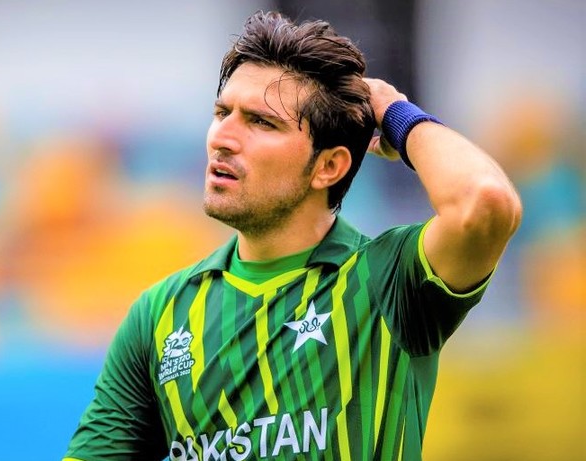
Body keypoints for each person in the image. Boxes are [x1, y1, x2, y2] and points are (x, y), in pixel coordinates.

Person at [62, 10, 522, 461]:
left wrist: (396, 114)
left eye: (261, 122)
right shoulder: (160, 314)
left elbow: (484, 203)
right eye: (222, 112)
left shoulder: (386, 280)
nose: (222, 138)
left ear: (329, 166)